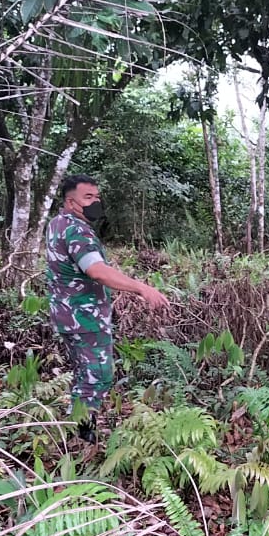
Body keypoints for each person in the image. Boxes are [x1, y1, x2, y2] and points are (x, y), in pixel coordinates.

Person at [46, 174, 169, 442]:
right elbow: (97, 271)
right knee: (97, 376)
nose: (95, 202)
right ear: (70, 202)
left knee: (83, 373)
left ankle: (74, 426)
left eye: (97, 196)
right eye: (87, 197)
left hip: (67, 314)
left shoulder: (57, 223)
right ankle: (80, 436)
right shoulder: (76, 229)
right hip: (84, 317)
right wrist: (142, 288)